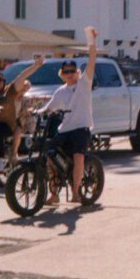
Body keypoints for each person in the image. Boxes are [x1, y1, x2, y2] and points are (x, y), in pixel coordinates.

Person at [42, 28, 98, 205]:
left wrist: (92, 42)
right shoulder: (61, 91)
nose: (69, 74)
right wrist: (36, 112)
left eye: (72, 71)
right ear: (62, 74)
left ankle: (75, 192)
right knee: (50, 158)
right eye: (66, 71)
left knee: (78, 157)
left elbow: (92, 61)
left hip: (81, 128)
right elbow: (49, 108)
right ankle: (54, 194)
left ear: (77, 72)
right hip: (64, 130)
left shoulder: (84, 84)